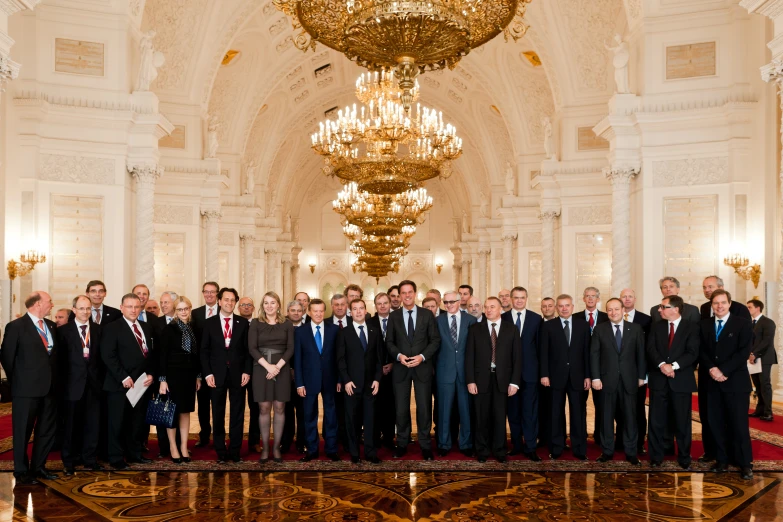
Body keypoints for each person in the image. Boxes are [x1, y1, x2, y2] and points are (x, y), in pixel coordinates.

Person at [1, 291, 60, 484]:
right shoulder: (16, 326)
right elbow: (7, 358)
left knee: (46, 430)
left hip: (50, 389)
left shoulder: (51, 326)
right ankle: (21, 470)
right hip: (25, 390)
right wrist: (18, 382)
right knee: (22, 431)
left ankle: (39, 467)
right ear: (37, 304)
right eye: (49, 301)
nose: (52, 305)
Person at [699, 289, 754, 480]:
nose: (719, 306)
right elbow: (702, 352)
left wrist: (723, 370)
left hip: (735, 383)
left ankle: (745, 463)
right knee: (715, 423)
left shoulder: (743, 324)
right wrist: (712, 369)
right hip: (711, 382)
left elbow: (743, 352)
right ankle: (721, 460)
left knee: (738, 424)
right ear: (711, 305)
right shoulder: (704, 325)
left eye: (723, 302)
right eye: (716, 303)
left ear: (730, 304)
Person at [386, 280, 441, 460]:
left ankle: (425, 445)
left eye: (410, 292)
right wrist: (399, 356)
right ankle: (402, 443)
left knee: (424, 407)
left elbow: (435, 340)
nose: (407, 295)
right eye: (403, 293)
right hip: (401, 368)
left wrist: (422, 357)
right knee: (401, 408)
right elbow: (389, 342)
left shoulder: (427, 315)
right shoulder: (393, 316)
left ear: (415, 294)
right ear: (400, 295)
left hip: (422, 367)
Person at [101, 293, 157, 470]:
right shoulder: (112, 328)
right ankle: (116, 458)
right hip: (119, 384)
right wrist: (123, 377)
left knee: (137, 422)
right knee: (117, 423)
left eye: (136, 306)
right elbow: (108, 356)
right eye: (129, 306)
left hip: (142, 384)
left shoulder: (146, 327)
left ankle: (135, 454)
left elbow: (152, 354)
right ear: (122, 308)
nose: (133, 310)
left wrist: (151, 374)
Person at [590, 298, 646, 465]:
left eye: (616, 309)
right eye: (609, 310)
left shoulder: (635, 329)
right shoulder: (600, 329)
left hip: (630, 380)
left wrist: (641, 377)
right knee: (606, 418)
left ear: (623, 310)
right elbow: (594, 355)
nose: (613, 312)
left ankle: (631, 452)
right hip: (607, 381)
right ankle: (607, 451)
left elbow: (641, 355)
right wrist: (596, 377)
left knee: (630, 417)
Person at [466, 297, 522, 463]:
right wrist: (470, 380)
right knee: (481, 417)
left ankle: (499, 450)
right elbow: (469, 356)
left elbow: (517, 358)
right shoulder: (475, 328)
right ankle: (482, 450)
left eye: (492, 307)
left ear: (500, 310)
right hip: (480, 379)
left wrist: (514, 382)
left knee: (499, 417)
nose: (488, 310)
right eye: (486, 307)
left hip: (503, 380)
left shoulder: (511, 329)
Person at [646, 295, 699, 469]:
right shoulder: (656, 326)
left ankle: (684, 456)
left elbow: (692, 352)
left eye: (663, 307)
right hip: (659, 380)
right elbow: (651, 349)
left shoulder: (691, 327)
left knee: (682, 421)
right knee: (656, 421)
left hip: (681, 381)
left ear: (675, 308)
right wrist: (662, 365)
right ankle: (656, 456)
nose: (659, 310)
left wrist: (673, 366)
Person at [200, 287, 250, 463]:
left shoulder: (243, 323)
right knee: (218, 414)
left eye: (232, 300)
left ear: (235, 303)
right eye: (226, 299)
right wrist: (207, 374)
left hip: (238, 376)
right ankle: (220, 451)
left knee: (237, 413)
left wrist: (246, 371)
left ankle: (235, 451)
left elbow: (247, 351)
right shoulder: (209, 323)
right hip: (216, 376)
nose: (229, 303)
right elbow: (204, 351)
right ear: (219, 301)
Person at [539, 294, 591, 460]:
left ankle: (579, 449)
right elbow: (544, 353)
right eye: (560, 306)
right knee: (556, 413)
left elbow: (587, 353)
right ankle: (556, 447)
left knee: (578, 414)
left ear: (572, 306)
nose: (564, 308)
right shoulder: (549, 326)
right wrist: (544, 374)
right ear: (556, 308)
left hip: (578, 377)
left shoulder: (583, 325)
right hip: (554, 378)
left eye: (567, 305)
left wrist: (588, 376)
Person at [58, 295, 104, 475]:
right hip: (71, 386)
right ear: (74, 310)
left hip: (94, 386)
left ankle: (90, 459)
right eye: (82, 308)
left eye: (88, 309)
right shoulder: (63, 332)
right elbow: (60, 362)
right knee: (70, 426)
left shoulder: (100, 330)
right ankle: (69, 461)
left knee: (92, 424)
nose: (85, 312)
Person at [249, 291, 295, 464]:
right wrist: (268, 366)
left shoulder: (287, 324)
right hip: (261, 369)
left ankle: (276, 447)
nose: (269, 306)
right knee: (264, 408)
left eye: (273, 302)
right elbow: (252, 348)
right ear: (262, 306)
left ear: (278, 305)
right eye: (266, 303)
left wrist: (277, 367)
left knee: (280, 407)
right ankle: (265, 448)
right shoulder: (255, 323)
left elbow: (290, 348)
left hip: (281, 368)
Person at [336, 299, 383, 463]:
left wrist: (377, 379)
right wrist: (346, 380)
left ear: (366, 310)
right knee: (352, 420)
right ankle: (354, 453)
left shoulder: (374, 330)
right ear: (350, 312)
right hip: (352, 385)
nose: (358, 311)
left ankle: (370, 453)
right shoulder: (344, 332)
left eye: (361, 308)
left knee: (370, 420)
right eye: (354, 309)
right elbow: (340, 360)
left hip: (371, 385)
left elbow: (379, 358)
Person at [295, 298, 340, 461]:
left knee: (331, 416)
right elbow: (298, 360)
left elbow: (339, 358)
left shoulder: (334, 330)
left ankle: (331, 449)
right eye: (315, 311)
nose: (319, 314)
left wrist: (340, 379)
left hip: (330, 380)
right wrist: (299, 383)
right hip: (308, 381)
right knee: (309, 416)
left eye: (321, 310)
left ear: (325, 311)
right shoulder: (300, 332)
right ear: (309, 312)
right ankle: (312, 450)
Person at [158, 296, 200, 463]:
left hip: (189, 376)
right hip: (173, 375)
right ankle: (173, 448)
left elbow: (197, 355)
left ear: (190, 309)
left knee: (185, 411)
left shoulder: (194, 327)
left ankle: (183, 446)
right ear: (175, 311)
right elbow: (162, 356)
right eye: (180, 309)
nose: (183, 312)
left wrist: (198, 376)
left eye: (186, 308)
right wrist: (163, 379)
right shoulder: (169, 329)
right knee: (172, 412)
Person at [502, 286, 542, 461]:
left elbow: (540, 348)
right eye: (516, 297)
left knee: (530, 412)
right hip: (509, 375)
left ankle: (531, 446)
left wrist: (542, 373)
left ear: (526, 298)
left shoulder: (536, 319)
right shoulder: (503, 318)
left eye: (522, 297)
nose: (519, 300)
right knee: (513, 412)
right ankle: (516, 445)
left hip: (530, 374)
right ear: (511, 299)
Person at [435, 290, 477, 457]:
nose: (449, 305)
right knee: (444, 411)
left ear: (460, 302)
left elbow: (474, 349)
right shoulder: (437, 321)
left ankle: (466, 443)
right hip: (444, 372)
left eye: (452, 302)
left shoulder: (471, 321)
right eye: (446, 302)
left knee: (465, 410)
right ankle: (443, 444)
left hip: (466, 373)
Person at [616, 288, 652, 456]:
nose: (627, 299)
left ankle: (638, 443)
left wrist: (643, 374)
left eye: (630, 296)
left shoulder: (645, 320)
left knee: (637, 409)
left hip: (636, 374)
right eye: (624, 296)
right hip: (616, 374)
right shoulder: (611, 318)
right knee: (618, 409)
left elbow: (646, 350)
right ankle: (621, 440)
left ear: (635, 299)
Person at [573, 286, 608, 447]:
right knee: (579, 406)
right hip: (579, 370)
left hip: (601, 370)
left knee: (601, 406)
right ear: (583, 299)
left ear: (598, 299)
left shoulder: (607, 318)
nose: (590, 299)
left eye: (593, 296)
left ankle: (600, 437)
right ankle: (580, 438)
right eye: (587, 296)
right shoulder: (575, 318)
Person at [191, 281, 220, 448]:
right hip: (201, 367)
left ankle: (218, 435)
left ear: (217, 294)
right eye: (206, 292)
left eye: (212, 292)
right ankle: (204, 435)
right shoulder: (195, 314)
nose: (209, 295)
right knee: (202, 405)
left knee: (218, 404)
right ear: (203, 293)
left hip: (219, 366)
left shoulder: (223, 312)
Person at [368, 292, 396, 449]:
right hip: (374, 371)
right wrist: (378, 368)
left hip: (395, 369)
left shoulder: (397, 320)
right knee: (375, 406)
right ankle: (375, 437)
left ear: (390, 303)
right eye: (379, 303)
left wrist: (392, 363)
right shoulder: (369, 322)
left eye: (385, 303)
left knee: (391, 406)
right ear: (375, 306)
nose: (383, 306)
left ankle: (389, 438)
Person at [280, 300, 306, 454]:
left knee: (303, 411)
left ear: (303, 312)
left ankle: (302, 441)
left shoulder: (308, 328)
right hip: (284, 375)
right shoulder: (281, 327)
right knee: (286, 411)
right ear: (287, 311)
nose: (296, 313)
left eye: (299, 310)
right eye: (293, 310)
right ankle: (286, 442)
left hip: (303, 377)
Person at [237, 297, 261, 453]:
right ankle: (236, 443)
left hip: (257, 371)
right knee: (237, 408)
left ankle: (254, 441)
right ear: (239, 307)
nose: (246, 307)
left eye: (249, 305)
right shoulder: (234, 323)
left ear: (253, 308)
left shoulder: (259, 324)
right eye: (243, 305)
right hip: (238, 373)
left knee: (256, 408)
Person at [747, 299, 776, 421]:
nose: (748, 309)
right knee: (757, 385)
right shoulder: (750, 323)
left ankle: (768, 412)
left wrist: (755, 353)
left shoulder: (768, 322)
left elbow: (766, 341)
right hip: (752, 358)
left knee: (765, 385)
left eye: (749, 307)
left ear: (757, 308)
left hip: (764, 357)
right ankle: (760, 410)